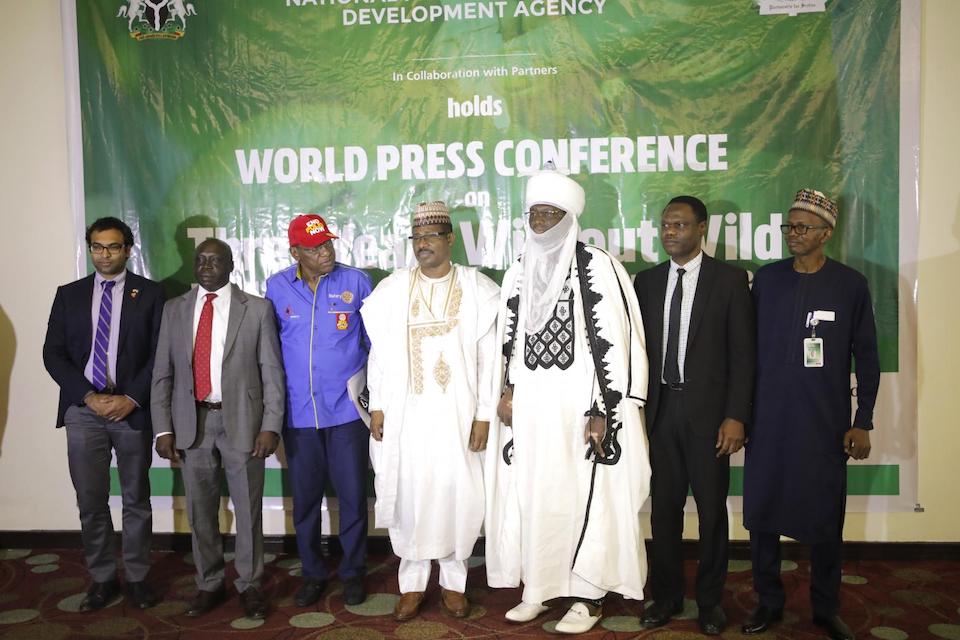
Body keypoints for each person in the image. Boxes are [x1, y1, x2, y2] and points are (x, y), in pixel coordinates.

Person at [484, 167, 651, 635]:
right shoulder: (519, 270)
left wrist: (605, 409)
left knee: (586, 497)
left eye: (550, 213)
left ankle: (588, 595)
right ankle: (538, 587)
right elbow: (511, 341)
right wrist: (508, 387)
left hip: (582, 407)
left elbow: (617, 342)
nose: (540, 222)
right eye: (534, 213)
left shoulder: (598, 265)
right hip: (534, 408)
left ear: (570, 217)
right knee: (537, 496)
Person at [742, 189, 880, 640]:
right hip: (769, 422)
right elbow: (744, 352)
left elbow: (868, 357)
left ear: (826, 233)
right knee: (762, 517)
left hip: (824, 426)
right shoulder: (767, 280)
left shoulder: (850, 285)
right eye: (788, 226)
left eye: (802, 227)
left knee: (824, 520)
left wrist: (863, 420)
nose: (792, 235)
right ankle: (768, 601)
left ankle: (826, 607)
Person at [361, 201, 499, 621]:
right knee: (412, 496)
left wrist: (484, 414)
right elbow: (380, 356)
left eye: (431, 237)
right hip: (408, 416)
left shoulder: (478, 290)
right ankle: (413, 585)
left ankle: (454, 585)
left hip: (459, 414)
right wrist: (379, 405)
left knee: (457, 494)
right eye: (416, 238)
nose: (422, 245)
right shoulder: (393, 290)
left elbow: (490, 358)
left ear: (450, 240)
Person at [632, 195, 755, 635]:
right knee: (663, 512)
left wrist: (736, 416)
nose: (670, 233)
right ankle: (665, 598)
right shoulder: (645, 282)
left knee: (710, 514)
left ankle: (710, 603)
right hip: (661, 413)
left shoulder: (729, 280)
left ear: (702, 229)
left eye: (680, 225)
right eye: (665, 225)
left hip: (710, 419)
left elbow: (743, 355)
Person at [151, 238, 285, 620]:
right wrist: (163, 430)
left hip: (243, 423)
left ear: (231, 265)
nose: (207, 265)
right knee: (200, 512)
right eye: (201, 259)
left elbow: (271, 373)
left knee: (248, 510)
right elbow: (163, 373)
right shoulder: (174, 310)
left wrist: (270, 426)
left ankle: (250, 584)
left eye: (215, 260)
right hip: (191, 424)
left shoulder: (256, 310)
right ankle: (209, 583)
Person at [42, 216, 164, 611]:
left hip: (130, 410)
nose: (104, 254)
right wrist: (87, 396)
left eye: (112, 246)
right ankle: (102, 578)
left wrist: (131, 397)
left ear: (128, 249)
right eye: (97, 246)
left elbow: (160, 354)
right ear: (90, 248)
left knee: (135, 499)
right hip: (84, 411)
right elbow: (53, 354)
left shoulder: (150, 294)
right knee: (91, 501)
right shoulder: (69, 294)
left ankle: (139, 578)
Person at [264, 214, 372, 607]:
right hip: (298, 416)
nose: (325, 252)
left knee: (353, 497)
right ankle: (312, 573)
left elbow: (375, 347)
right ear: (295, 252)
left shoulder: (356, 282)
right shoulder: (276, 287)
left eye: (328, 244)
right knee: (306, 502)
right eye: (314, 248)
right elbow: (270, 351)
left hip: (345, 414)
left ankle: (353, 572)